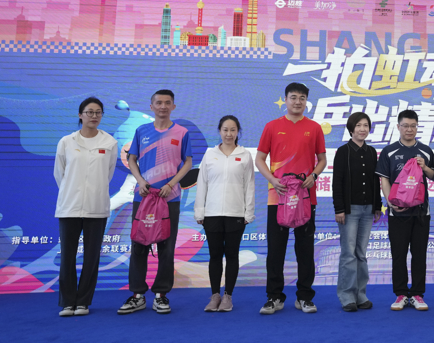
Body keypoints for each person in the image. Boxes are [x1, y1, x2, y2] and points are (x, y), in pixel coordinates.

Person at [119, 89, 194, 315]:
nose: (163, 106)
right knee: (139, 245)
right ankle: (137, 295)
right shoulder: (142, 131)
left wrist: (171, 184)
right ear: (151, 107)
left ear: (173, 106)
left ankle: (161, 295)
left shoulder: (182, 132)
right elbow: (132, 159)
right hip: (143, 198)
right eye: (159, 103)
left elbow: (188, 162)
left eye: (167, 103)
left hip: (170, 198)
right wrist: (140, 181)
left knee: (167, 247)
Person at [256, 82, 327, 315]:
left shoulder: (314, 128)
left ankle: (304, 297)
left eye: (302, 98)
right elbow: (259, 159)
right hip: (278, 198)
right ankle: (274, 297)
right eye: (293, 97)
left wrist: (313, 176)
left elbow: (322, 160)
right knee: (276, 250)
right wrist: (272, 180)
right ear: (285, 99)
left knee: (305, 250)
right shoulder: (272, 126)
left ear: (306, 101)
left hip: (305, 198)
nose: (298, 102)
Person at [54, 97, 118, 317]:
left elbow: (108, 174)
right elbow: (60, 174)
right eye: (89, 112)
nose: (94, 116)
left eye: (98, 112)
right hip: (69, 206)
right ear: (80, 115)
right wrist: (71, 190)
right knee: (67, 256)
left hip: (96, 207)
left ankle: (83, 302)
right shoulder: (66, 141)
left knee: (91, 257)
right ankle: (67, 302)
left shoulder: (109, 142)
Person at [376, 109, 434, 311]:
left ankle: (418, 294)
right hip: (397, 213)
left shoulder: (425, 151)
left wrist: (425, 167)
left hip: (421, 213)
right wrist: (390, 202)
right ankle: (401, 294)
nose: (409, 129)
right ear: (398, 127)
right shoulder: (389, 151)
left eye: (413, 126)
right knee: (399, 254)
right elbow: (384, 179)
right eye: (405, 126)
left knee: (419, 255)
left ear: (417, 127)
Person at [195, 115, 255, 313]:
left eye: (233, 130)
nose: (229, 134)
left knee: (232, 255)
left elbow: (249, 186)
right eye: (225, 130)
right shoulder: (209, 155)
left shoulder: (245, 155)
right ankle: (215, 296)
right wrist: (200, 211)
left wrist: (248, 212)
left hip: (235, 213)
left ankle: (228, 296)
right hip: (211, 214)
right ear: (219, 131)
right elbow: (202, 184)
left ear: (238, 132)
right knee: (214, 255)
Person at [333, 112, 382, 312]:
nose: (362, 129)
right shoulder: (343, 151)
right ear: (351, 128)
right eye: (359, 125)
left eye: (366, 125)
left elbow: (375, 181)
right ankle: (347, 296)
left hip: (368, 209)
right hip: (349, 210)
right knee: (348, 254)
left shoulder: (371, 152)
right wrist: (339, 209)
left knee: (361, 253)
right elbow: (337, 182)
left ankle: (361, 294)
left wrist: (377, 206)